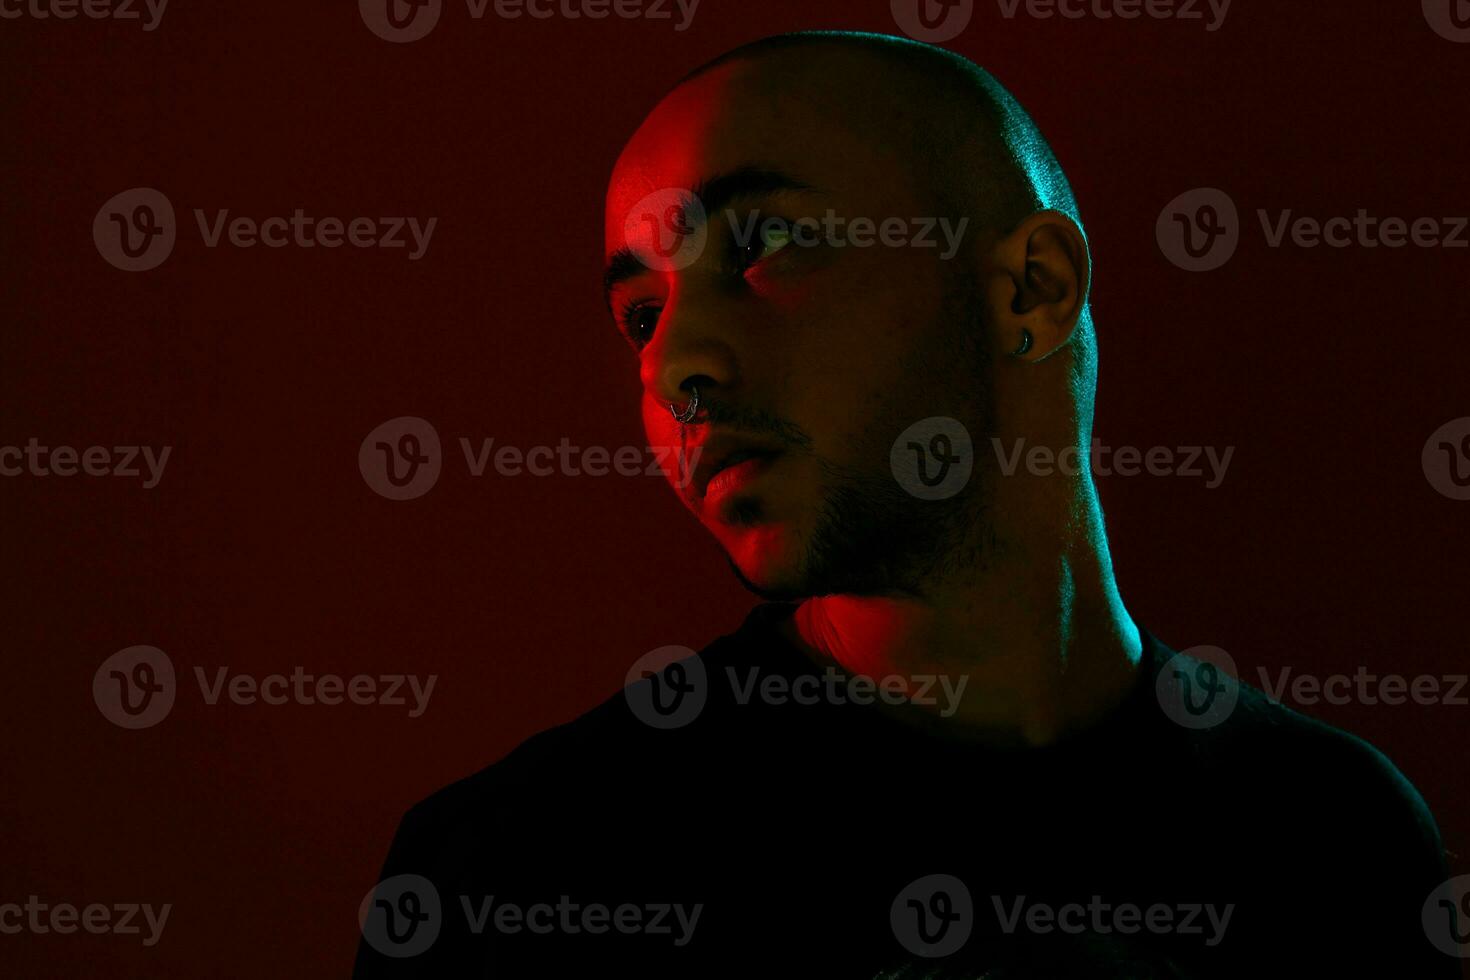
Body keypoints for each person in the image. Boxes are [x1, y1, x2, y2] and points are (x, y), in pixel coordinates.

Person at [353, 31, 1455, 977]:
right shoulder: (523, 870)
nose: (677, 362)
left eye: (767, 243)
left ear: (1032, 288)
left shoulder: (1335, 836)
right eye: (642, 315)